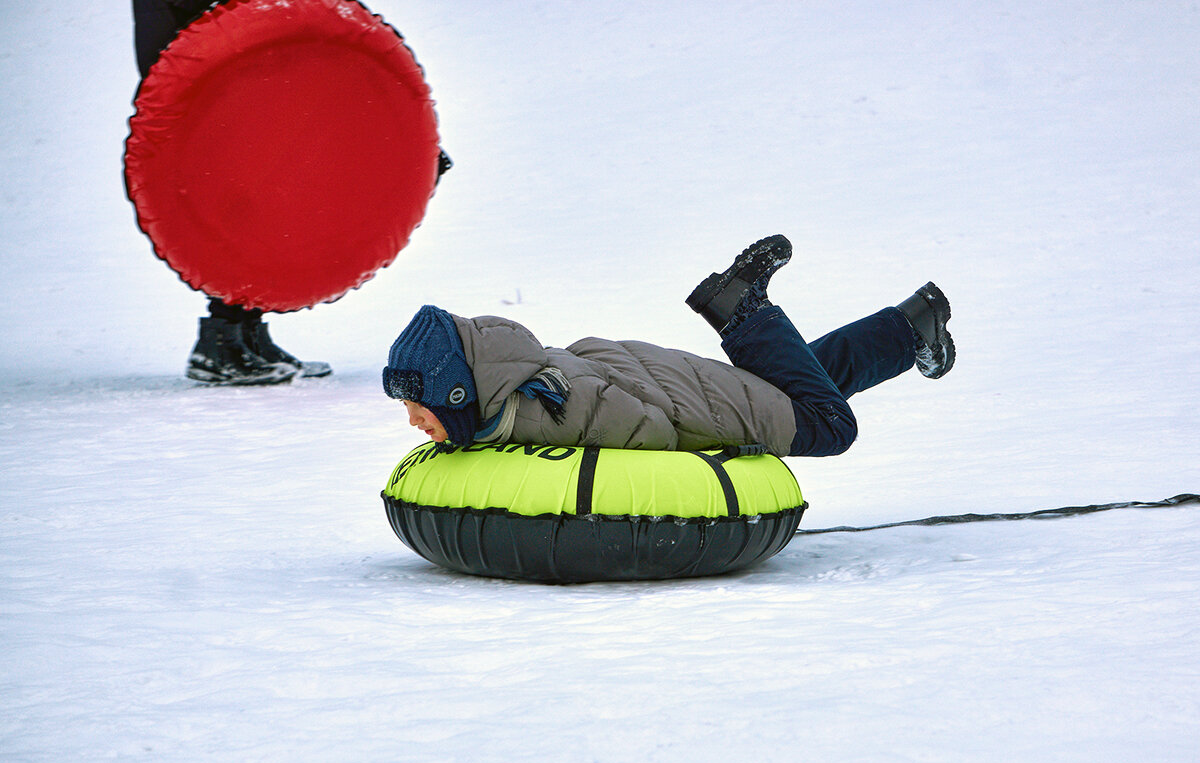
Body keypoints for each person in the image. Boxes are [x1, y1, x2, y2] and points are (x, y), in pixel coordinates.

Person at [381, 235, 955, 458]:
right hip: (680, 381)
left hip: (697, 407)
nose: (412, 421)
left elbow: (647, 431)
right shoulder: (511, 380)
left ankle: (743, 309)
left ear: (455, 389)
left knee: (831, 426)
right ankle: (913, 327)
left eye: (417, 405)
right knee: (798, 386)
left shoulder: (533, 409)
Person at [131, 0, 451, 386]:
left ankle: (239, 334)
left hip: (239, 68)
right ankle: (224, 340)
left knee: (259, 197)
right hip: (220, 70)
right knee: (238, 193)